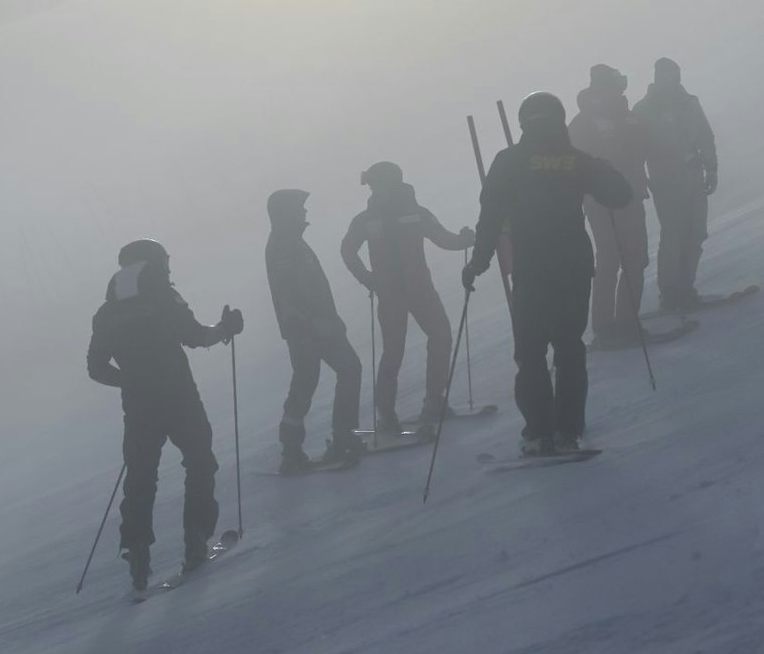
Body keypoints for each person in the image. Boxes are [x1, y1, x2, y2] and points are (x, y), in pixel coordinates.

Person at [464, 91, 633, 455]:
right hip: (572, 264)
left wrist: (477, 263)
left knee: (531, 351)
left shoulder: (510, 160)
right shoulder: (576, 161)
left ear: (525, 122)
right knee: (569, 348)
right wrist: (604, 168)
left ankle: (540, 431)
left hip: (532, 268)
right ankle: (570, 429)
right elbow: (620, 196)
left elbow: (490, 216)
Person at [86, 239, 242, 593]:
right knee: (199, 462)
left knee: (141, 478)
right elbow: (194, 336)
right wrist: (225, 331)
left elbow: (96, 368)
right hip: (179, 397)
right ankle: (195, 540)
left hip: (139, 407)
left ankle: (138, 556)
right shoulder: (164, 297)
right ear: (153, 264)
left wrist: (130, 381)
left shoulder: (107, 313)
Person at [340, 162, 475, 433]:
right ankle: (393, 413)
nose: (374, 190)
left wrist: (463, 242)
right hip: (403, 293)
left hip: (412, 291)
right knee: (397, 351)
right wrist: (367, 278)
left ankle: (430, 402)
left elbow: (444, 239)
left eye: (377, 184)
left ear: (391, 183)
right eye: (373, 186)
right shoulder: (407, 214)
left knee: (433, 340)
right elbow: (347, 251)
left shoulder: (378, 218)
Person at [264, 189, 365, 474]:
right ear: (286, 213)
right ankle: (291, 452)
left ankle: (345, 435)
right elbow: (289, 294)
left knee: (349, 369)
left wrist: (330, 317)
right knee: (306, 382)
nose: (305, 213)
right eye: (300, 209)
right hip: (305, 330)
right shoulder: (283, 246)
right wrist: (313, 320)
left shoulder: (294, 242)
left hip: (322, 324)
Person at [568, 64, 651, 346]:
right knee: (624, 257)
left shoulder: (623, 116)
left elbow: (641, 148)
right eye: (617, 83)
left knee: (622, 258)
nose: (622, 88)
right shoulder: (585, 124)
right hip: (606, 199)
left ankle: (611, 325)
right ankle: (619, 326)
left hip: (622, 195)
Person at [632, 57, 717, 309]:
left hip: (693, 175)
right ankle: (670, 293)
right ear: (657, 77)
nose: (672, 80)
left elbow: (705, 135)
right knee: (674, 234)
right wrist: (641, 176)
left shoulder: (690, 103)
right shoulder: (643, 110)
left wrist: (711, 168)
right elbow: (636, 148)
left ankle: (686, 286)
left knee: (696, 232)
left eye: (674, 75)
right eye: (666, 75)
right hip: (666, 179)